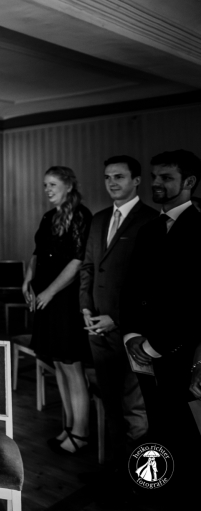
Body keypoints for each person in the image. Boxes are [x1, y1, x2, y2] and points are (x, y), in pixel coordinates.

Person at [120, 149, 201, 504]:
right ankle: (157, 488)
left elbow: (194, 301)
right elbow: (131, 287)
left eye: (166, 178)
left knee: (182, 428)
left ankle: (181, 493)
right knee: (157, 423)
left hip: (180, 350)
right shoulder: (149, 228)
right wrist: (131, 334)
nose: (156, 183)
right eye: (154, 176)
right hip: (140, 347)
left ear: (189, 182)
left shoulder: (199, 227)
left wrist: (154, 345)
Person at [78, 156, 156, 478]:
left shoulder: (151, 220)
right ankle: (118, 470)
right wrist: (86, 307)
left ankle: (141, 475)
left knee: (134, 407)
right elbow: (88, 267)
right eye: (108, 177)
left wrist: (118, 319)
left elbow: (152, 282)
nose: (112, 182)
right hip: (96, 329)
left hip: (132, 332)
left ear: (136, 180)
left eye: (119, 176)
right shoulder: (98, 219)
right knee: (109, 402)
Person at [23, 166, 92, 454]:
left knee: (72, 367)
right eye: (45, 185)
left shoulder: (81, 215)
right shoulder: (48, 216)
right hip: (44, 299)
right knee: (59, 367)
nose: (47, 190)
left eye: (52, 184)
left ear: (68, 186)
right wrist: (27, 281)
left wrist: (50, 291)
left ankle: (81, 433)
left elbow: (78, 261)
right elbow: (37, 253)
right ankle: (69, 426)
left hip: (65, 301)